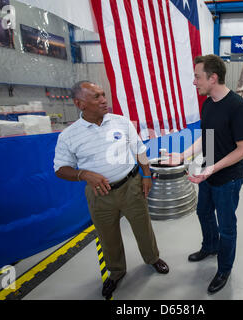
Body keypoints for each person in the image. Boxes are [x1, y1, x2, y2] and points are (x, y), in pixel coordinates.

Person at [54, 81, 169, 299]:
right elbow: (60, 169)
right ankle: (116, 272)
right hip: (100, 195)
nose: (104, 100)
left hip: (131, 186)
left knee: (143, 227)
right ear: (80, 104)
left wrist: (146, 176)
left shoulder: (121, 122)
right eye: (96, 97)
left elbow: (139, 151)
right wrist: (83, 174)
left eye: (103, 95)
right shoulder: (69, 136)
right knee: (108, 236)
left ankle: (152, 258)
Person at [163, 54, 243, 294]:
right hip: (208, 173)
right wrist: (183, 156)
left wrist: (212, 168)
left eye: (197, 76)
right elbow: (207, 137)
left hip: (228, 178)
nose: (194, 82)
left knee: (227, 226)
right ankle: (210, 246)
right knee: (203, 211)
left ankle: (224, 268)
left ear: (213, 78)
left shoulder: (236, 106)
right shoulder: (209, 103)